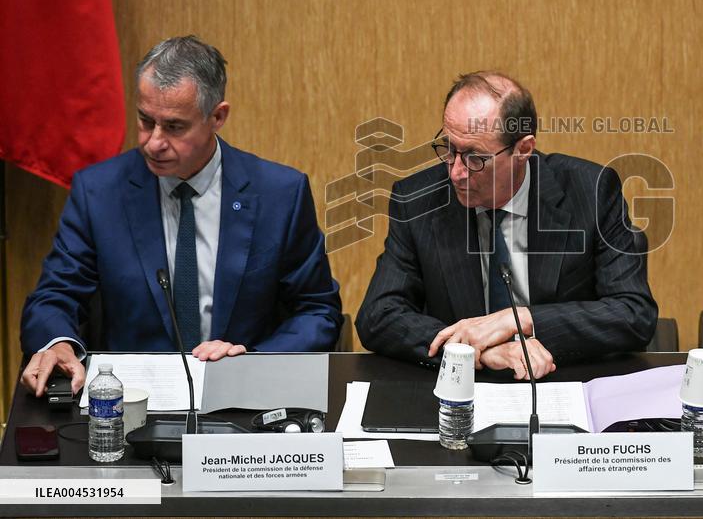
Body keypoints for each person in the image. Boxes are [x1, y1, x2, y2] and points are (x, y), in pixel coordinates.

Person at [20, 36, 343, 396]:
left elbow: (318, 311)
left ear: (217, 117)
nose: (153, 142)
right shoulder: (99, 192)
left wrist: (254, 360)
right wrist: (58, 343)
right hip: (129, 403)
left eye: (174, 127)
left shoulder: (280, 194)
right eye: (146, 121)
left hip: (242, 401)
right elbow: (54, 295)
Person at [356, 71, 657, 378]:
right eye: (448, 149)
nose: (455, 172)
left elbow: (633, 314)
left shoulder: (590, 192)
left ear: (523, 150)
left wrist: (519, 320)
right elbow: (378, 316)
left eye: (475, 157)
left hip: (563, 382)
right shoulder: (418, 200)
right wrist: (475, 352)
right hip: (460, 391)